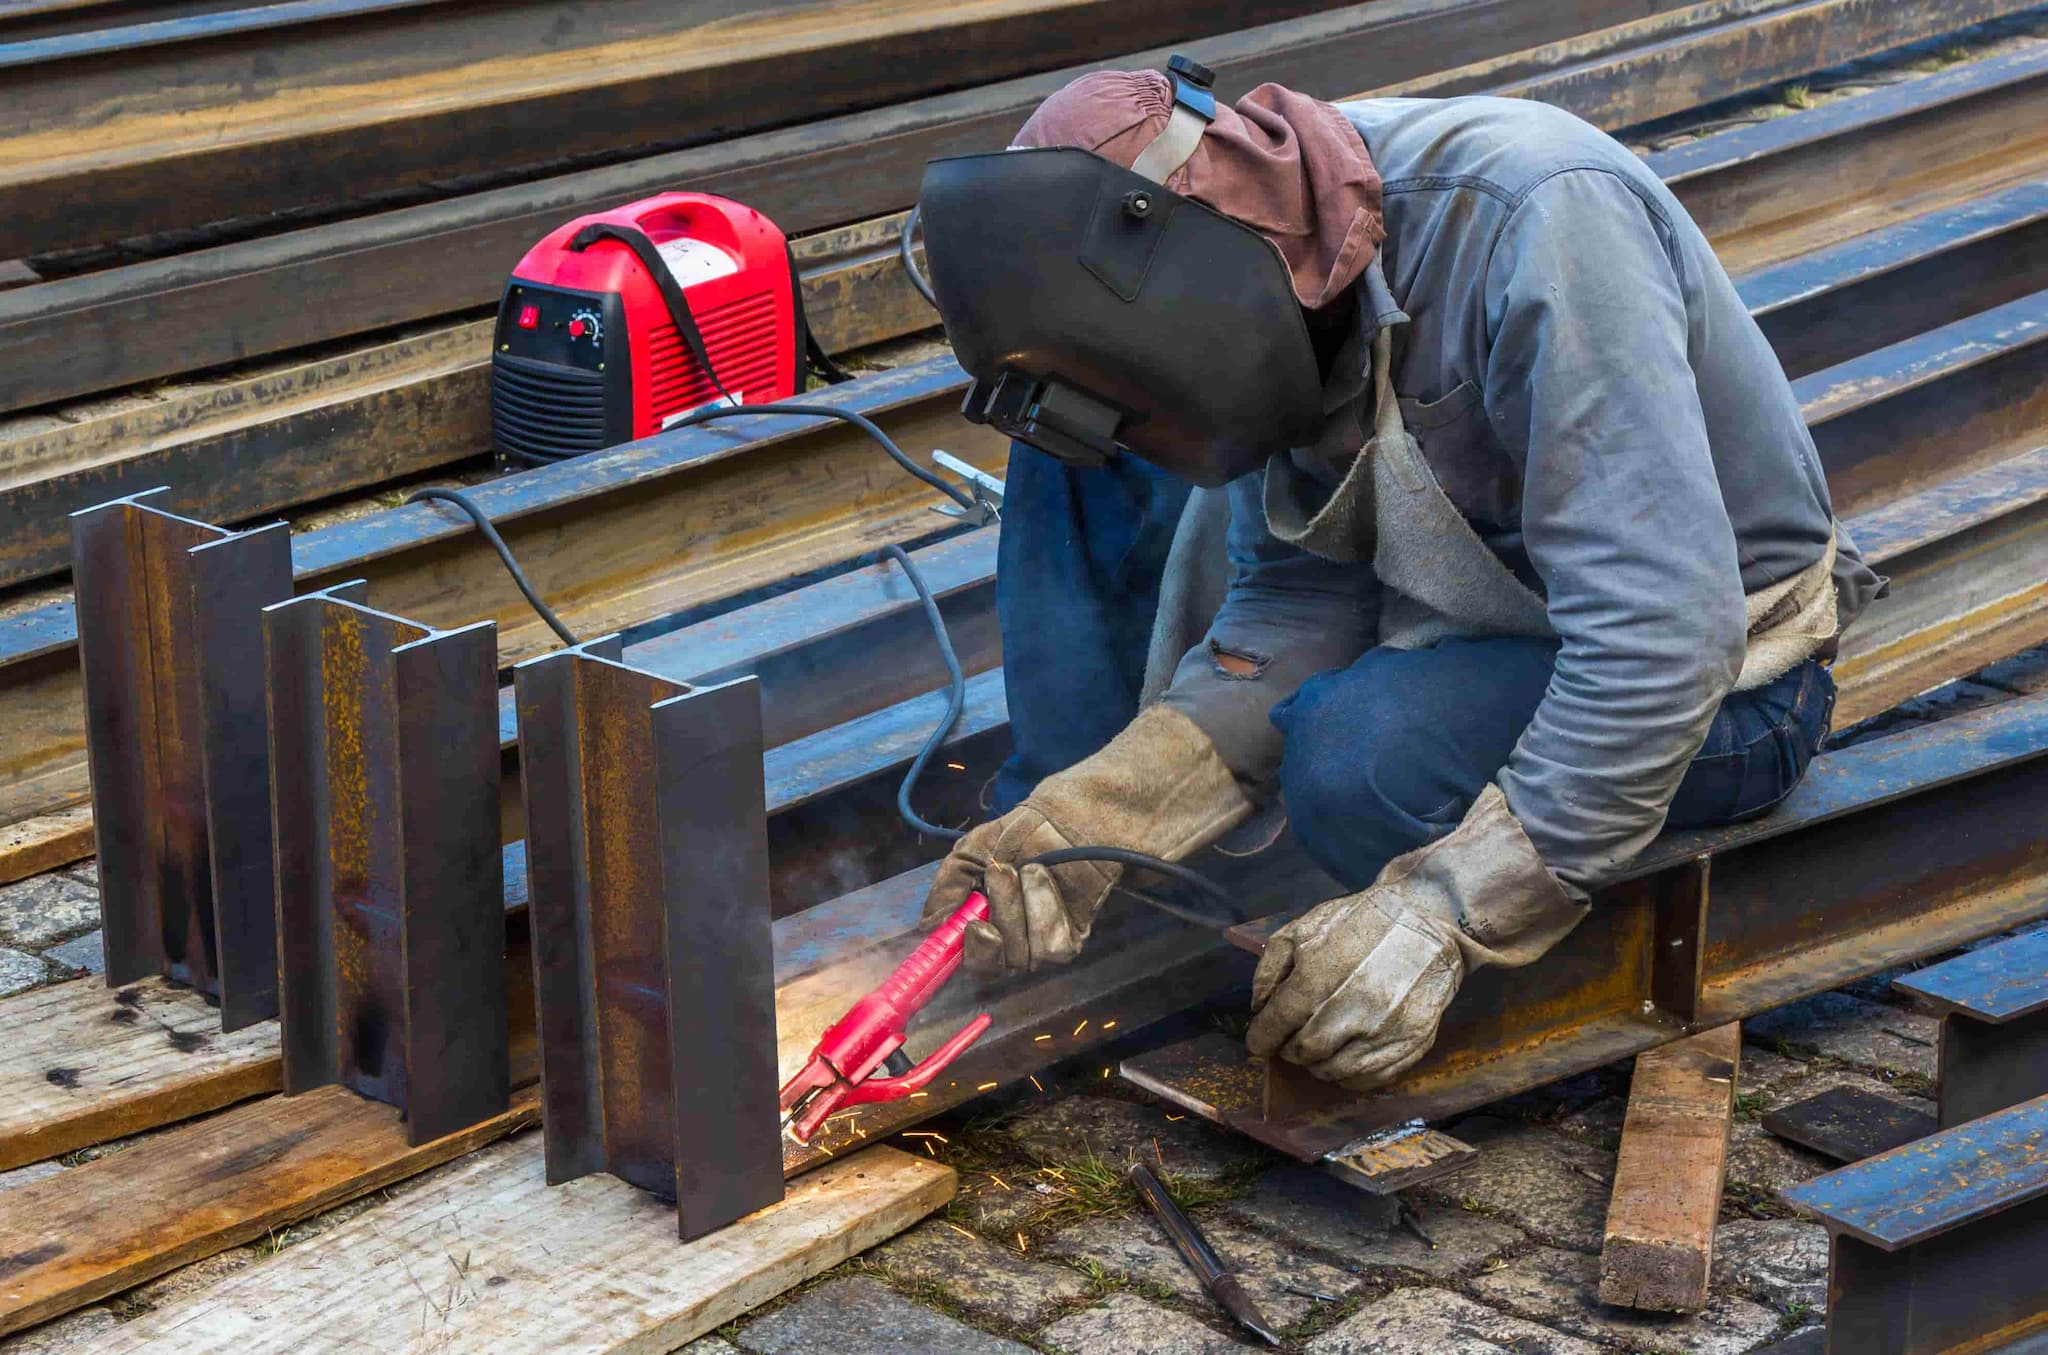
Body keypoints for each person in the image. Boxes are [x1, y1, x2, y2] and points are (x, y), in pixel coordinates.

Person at [914, 61, 1882, 1089]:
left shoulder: (1535, 220)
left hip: (1724, 676)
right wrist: (1095, 815)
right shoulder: (1268, 259)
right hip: (1481, 631)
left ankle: (1443, 907)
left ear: (1181, 253)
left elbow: (1660, 640)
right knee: (1088, 467)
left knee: (1351, 758)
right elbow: (1296, 597)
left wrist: (1438, 911)